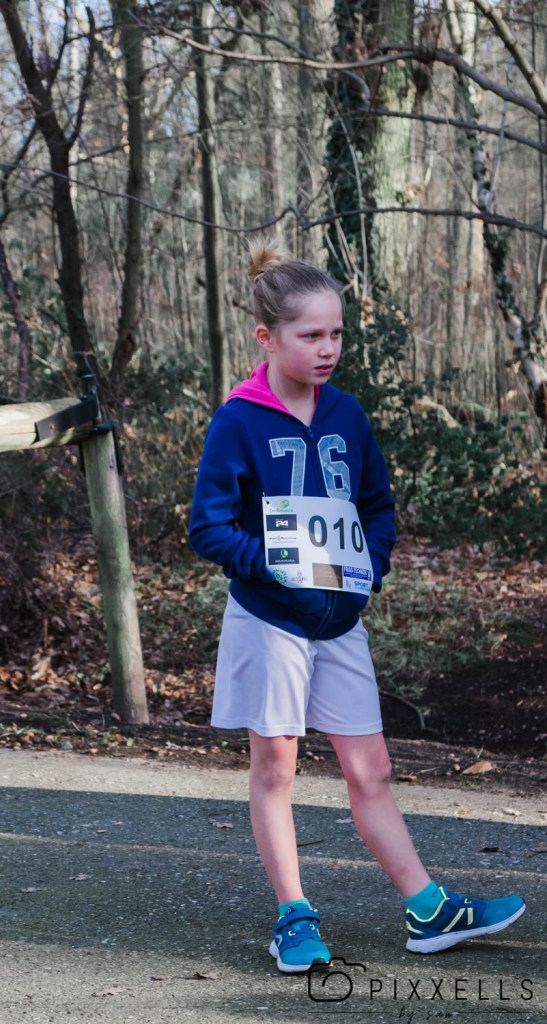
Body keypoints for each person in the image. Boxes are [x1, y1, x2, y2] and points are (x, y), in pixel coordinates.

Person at [188, 240, 525, 974]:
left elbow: (375, 505)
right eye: (311, 334)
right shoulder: (238, 421)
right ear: (267, 337)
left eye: (336, 333)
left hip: (340, 622)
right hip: (270, 620)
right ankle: (293, 916)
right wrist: (272, 565)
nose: (327, 348)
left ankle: (428, 910)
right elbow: (207, 528)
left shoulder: (346, 414)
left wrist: (370, 565)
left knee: (371, 769)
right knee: (275, 768)